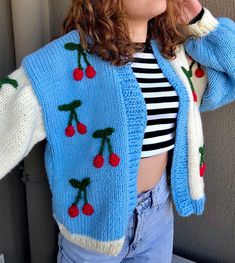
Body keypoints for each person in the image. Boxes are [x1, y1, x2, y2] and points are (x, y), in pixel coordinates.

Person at [0, 0, 234, 262]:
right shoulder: (65, 59)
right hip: (94, 227)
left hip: (158, 216)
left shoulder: (173, 59)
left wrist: (198, 18)